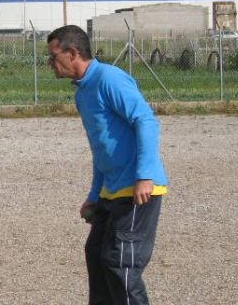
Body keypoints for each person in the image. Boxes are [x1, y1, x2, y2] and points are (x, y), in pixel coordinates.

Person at [46, 25, 168, 305]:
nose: (50, 64)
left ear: (73, 53)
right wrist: (93, 196)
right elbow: (102, 149)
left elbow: (146, 121)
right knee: (97, 255)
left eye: (53, 57)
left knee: (120, 262)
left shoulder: (109, 79)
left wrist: (145, 175)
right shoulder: (82, 92)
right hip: (111, 191)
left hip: (138, 189)